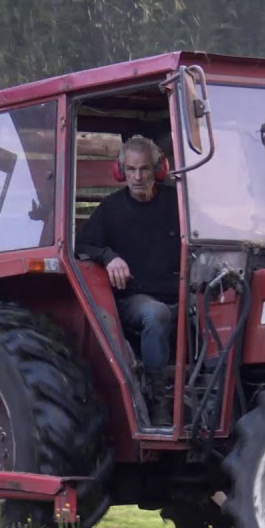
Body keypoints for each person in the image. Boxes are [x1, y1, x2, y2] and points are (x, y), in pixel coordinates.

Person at [77, 135, 181, 425]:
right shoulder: (110, 210)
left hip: (179, 292)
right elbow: (81, 246)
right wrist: (109, 256)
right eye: (131, 170)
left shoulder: (176, 203)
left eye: (145, 169)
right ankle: (158, 400)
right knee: (156, 314)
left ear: (158, 170)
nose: (138, 177)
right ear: (120, 172)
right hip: (133, 299)